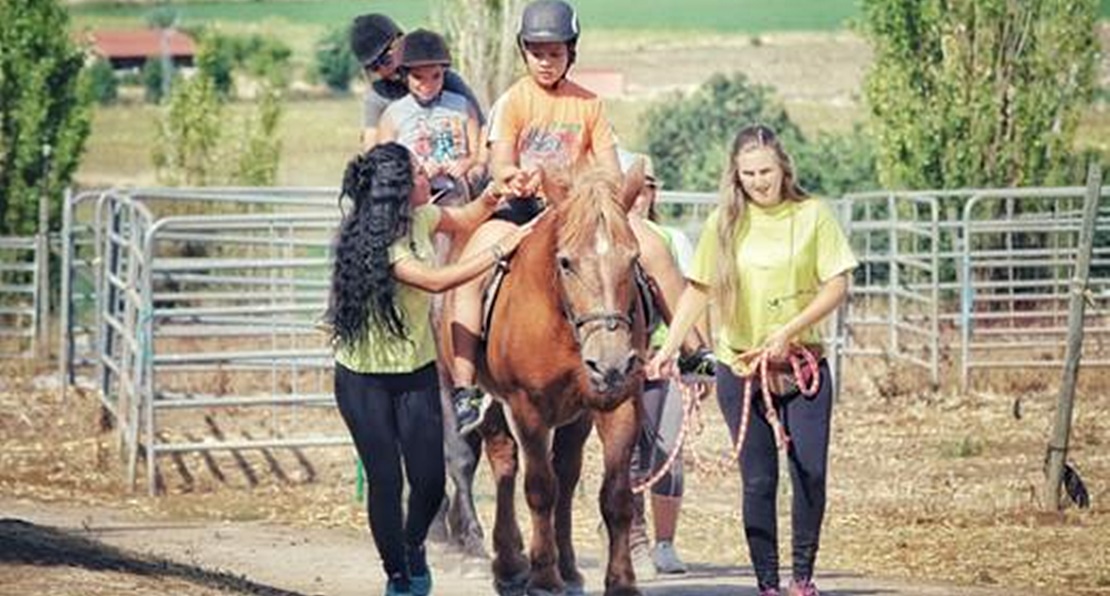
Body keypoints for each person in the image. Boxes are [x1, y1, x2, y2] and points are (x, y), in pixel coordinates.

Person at [447, 0, 706, 434]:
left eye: (555, 52)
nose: (546, 61)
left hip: (580, 212)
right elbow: (499, 165)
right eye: (536, 52)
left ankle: (695, 350)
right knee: (469, 269)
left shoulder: (589, 104)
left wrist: (595, 191)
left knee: (655, 246)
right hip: (523, 208)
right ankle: (464, 387)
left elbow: (608, 167)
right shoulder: (514, 101)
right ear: (524, 52)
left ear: (571, 52)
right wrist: (518, 179)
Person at [646, 124, 858, 596]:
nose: (759, 181)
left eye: (766, 170)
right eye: (748, 174)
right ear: (736, 177)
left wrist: (789, 329)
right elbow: (697, 291)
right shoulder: (724, 225)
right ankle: (767, 583)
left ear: (784, 167)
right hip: (740, 367)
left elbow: (837, 285)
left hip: (802, 363)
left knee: (810, 472)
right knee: (759, 480)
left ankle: (802, 576)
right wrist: (666, 350)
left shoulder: (813, 215)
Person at [326, 143, 532, 596]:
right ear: (401, 188)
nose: (429, 175)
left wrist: (496, 194)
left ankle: (413, 544)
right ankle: (399, 575)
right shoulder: (381, 242)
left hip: (415, 371)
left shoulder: (424, 217)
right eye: (420, 172)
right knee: (386, 479)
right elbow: (437, 280)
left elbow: (466, 217)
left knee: (430, 483)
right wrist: (500, 250)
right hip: (363, 381)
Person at [618, 150, 704, 579]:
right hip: (628, 363)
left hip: (665, 361)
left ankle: (665, 542)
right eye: (632, 185)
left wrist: (692, 358)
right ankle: (631, 535)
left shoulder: (669, 240)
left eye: (646, 185)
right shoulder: (609, 238)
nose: (638, 194)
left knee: (667, 451)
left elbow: (691, 299)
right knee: (630, 452)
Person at [349, 14, 485, 151]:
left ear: (401, 41)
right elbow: (371, 146)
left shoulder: (445, 80)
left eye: (386, 60)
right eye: (374, 67)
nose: (384, 70)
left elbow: (481, 127)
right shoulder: (379, 95)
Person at [378, 30, 482, 200]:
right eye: (418, 77)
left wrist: (466, 164)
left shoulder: (462, 106)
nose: (428, 85)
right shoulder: (393, 115)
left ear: (444, 73)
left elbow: (478, 151)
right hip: (415, 199)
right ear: (405, 76)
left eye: (436, 76)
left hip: (456, 193)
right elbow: (384, 164)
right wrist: (416, 172)